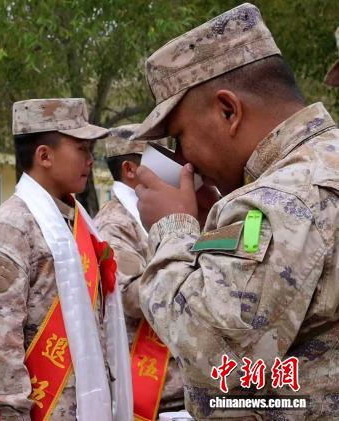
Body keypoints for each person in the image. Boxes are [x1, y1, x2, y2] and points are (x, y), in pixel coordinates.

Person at [133, 3, 339, 419]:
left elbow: (210, 354)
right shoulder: (319, 166)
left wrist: (172, 229)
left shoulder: (282, 199)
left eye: (179, 137)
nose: (183, 159)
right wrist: (211, 232)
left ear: (228, 111)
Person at [0, 98, 132, 420]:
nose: (90, 160)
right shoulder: (12, 226)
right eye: (81, 149)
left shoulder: (76, 222)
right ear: (44, 156)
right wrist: (12, 411)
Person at [93, 124, 185, 419]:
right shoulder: (115, 224)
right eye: (163, 157)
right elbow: (129, 296)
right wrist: (187, 269)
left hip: (182, 384)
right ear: (130, 170)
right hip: (154, 391)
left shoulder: (161, 209)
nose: (174, 165)